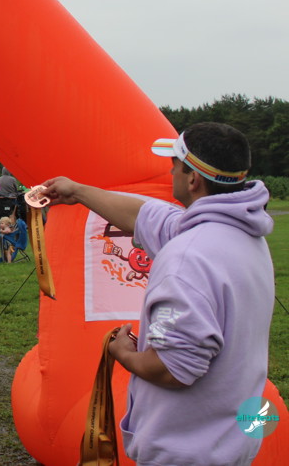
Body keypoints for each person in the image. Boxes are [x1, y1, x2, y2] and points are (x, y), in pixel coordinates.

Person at [40, 122, 274, 466]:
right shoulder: (243, 235)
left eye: (175, 165)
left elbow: (172, 369)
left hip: (185, 450)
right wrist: (78, 192)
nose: (171, 171)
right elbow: (146, 216)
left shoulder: (187, 256)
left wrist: (124, 354)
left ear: (192, 180)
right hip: (229, 440)